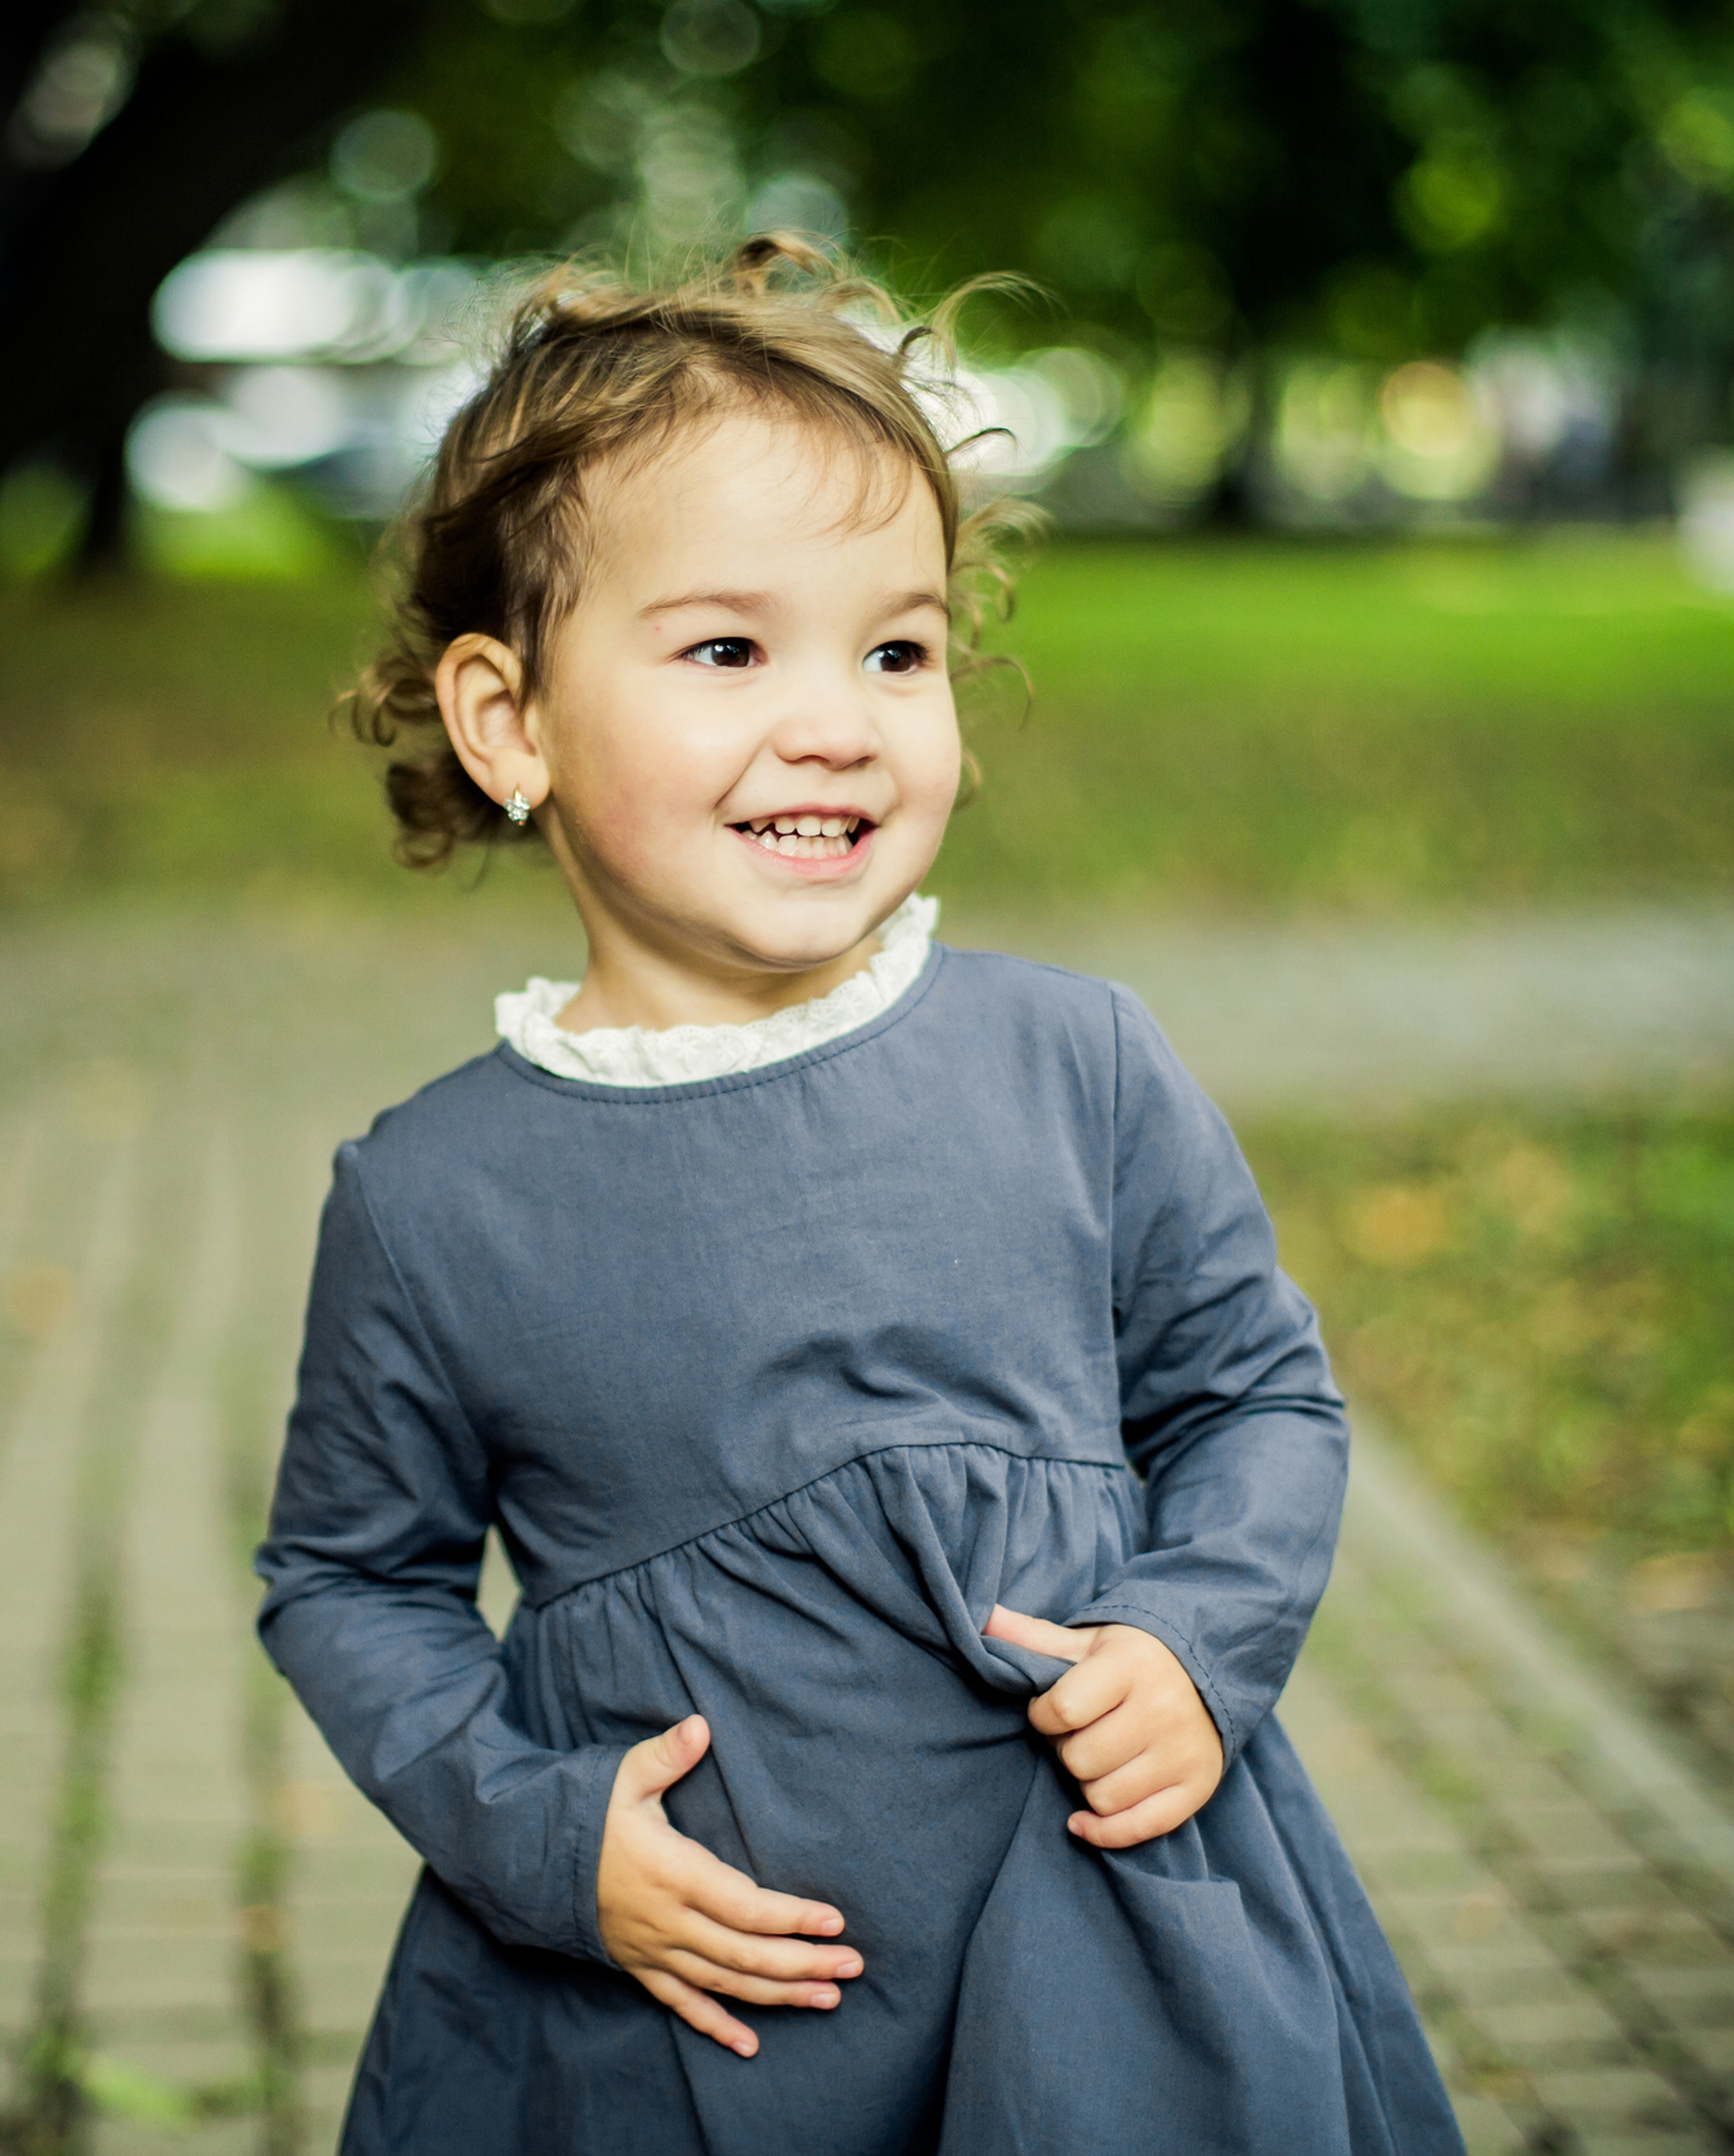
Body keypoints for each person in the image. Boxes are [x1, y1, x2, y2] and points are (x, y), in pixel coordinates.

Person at [254, 234, 1465, 2156]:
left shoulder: (1076, 1062)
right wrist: (549, 1838)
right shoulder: (432, 1197)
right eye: (729, 647)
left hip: (1108, 1975)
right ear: (508, 722)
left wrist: (1190, 1637)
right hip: (703, 2036)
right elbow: (350, 1581)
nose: (837, 717)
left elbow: (1253, 1395)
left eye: (893, 647)